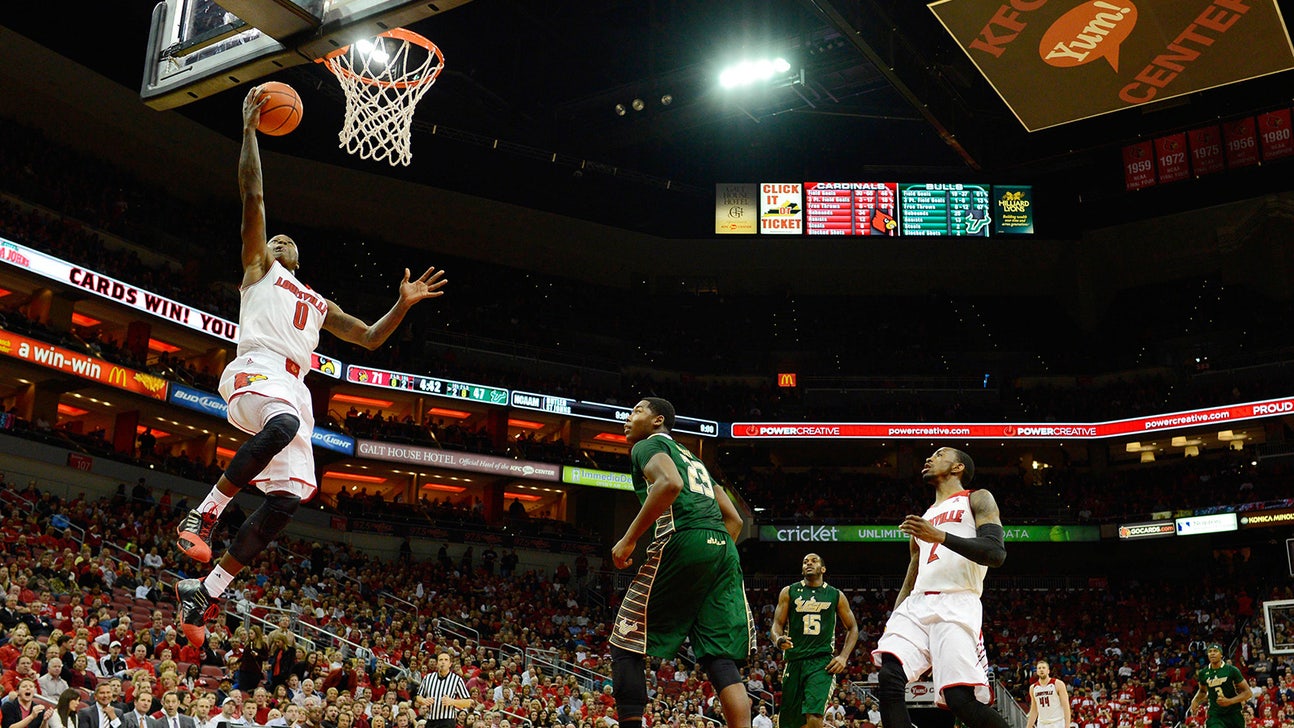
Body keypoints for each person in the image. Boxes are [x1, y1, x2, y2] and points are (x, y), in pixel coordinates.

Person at [174, 83, 448, 647]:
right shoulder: (259, 270)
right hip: (258, 369)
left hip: (294, 386)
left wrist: (403, 303)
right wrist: (249, 131)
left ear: (300, 259)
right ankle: (200, 515)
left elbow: (370, 338)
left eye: (284, 241)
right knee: (284, 426)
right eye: (273, 239)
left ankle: (209, 591)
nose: (278, 238)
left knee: (289, 497)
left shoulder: (318, 303)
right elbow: (253, 198)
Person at [609, 398, 753, 728]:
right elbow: (735, 520)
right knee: (718, 656)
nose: (628, 418)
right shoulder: (695, 460)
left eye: (637, 411)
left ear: (658, 420)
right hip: (721, 548)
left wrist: (629, 539)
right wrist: (709, 554)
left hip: (684, 536)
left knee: (625, 640)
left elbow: (669, 484)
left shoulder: (647, 446)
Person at [871, 447, 1008, 728]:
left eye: (940, 454)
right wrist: (895, 616)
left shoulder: (977, 498)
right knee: (889, 674)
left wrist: (940, 536)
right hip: (918, 603)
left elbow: (996, 553)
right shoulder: (925, 517)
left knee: (960, 700)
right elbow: (912, 575)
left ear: (958, 468)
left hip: (957, 601)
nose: (929, 458)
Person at [770, 553, 859, 728]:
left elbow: (853, 627)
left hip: (821, 663)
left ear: (823, 569)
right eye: (805, 562)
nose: (808, 563)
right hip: (794, 661)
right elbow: (776, 625)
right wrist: (778, 639)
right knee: (789, 723)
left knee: (814, 716)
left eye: (814, 561)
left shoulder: (835, 595)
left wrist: (843, 657)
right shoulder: (789, 592)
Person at [1188, 643, 1253, 728]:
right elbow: (1203, 691)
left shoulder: (1232, 670)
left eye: (1215, 651)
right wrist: (1195, 700)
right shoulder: (1203, 673)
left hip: (1233, 713)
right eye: (1210, 651)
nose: (1212, 653)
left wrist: (1229, 701)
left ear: (1221, 654)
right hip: (1215, 714)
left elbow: (1248, 693)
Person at [414, 653, 472, 728]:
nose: (443, 662)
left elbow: (468, 702)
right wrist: (423, 700)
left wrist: (452, 702)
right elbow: (418, 697)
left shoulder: (456, 679)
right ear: (437, 664)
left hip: (447, 721)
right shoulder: (428, 678)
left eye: (446, 660)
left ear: (450, 664)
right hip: (431, 720)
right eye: (440, 660)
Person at [1026, 661, 1071, 728]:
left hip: (1058, 723)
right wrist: (1028, 726)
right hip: (1042, 724)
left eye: (1044, 668)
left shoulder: (1058, 684)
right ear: (1037, 671)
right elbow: (1034, 709)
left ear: (1048, 671)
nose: (1041, 669)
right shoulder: (1033, 688)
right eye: (1039, 668)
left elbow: (1066, 706)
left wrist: (1067, 725)